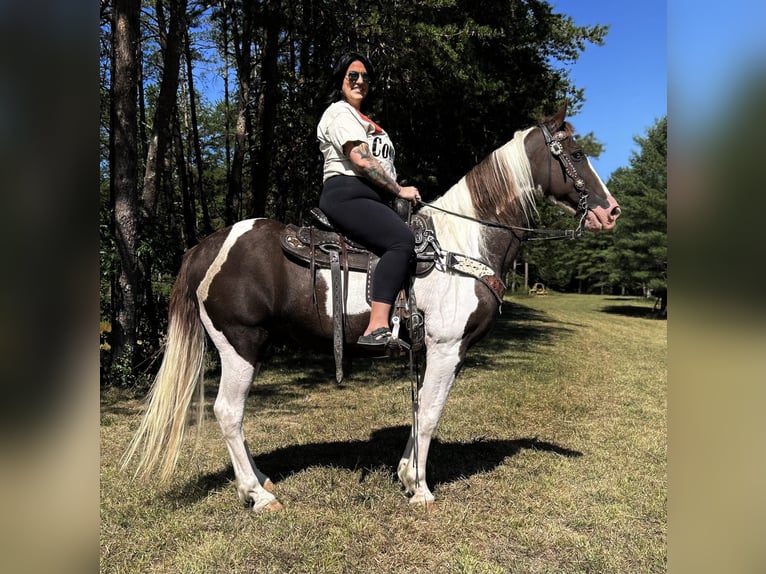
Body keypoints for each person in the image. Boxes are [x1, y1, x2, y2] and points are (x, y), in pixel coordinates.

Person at [317, 52, 420, 347]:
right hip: (347, 192)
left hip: (374, 197)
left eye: (365, 77)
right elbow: (361, 161)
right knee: (401, 241)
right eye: (353, 75)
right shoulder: (339, 112)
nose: (360, 81)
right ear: (341, 80)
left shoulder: (368, 121)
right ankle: (376, 327)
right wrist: (399, 190)